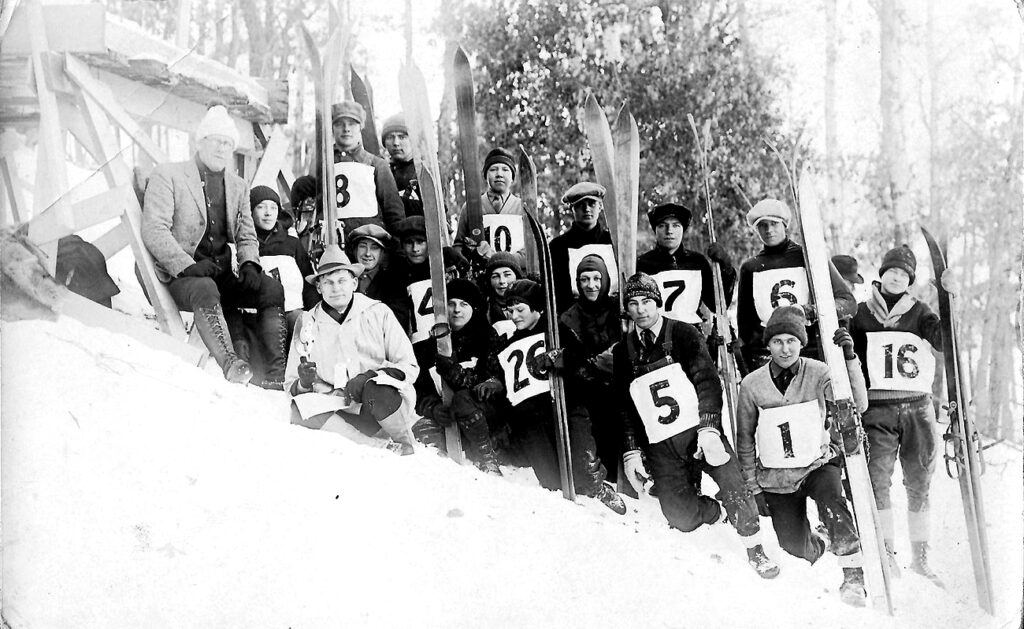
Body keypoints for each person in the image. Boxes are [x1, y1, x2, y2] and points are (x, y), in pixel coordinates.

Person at [612, 272, 779, 578]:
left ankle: (756, 550)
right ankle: (713, 512)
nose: (641, 310)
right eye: (633, 304)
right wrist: (632, 451)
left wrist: (709, 427)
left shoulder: (683, 333)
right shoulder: (624, 350)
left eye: (647, 301)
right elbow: (626, 407)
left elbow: (707, 380)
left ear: (657, 302)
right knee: (680, 517)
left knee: (733, 485)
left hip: (697, 431)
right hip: (661, 442)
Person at [141, 105, 286, 386]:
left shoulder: (238, 186)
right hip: (181, 278)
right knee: (205, 288)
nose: (222, 149)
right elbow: (154, 229)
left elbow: (246, 235)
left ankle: (276, 372)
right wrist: (188, 266)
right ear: (200, 141)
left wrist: (249, 264)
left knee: (271, 288)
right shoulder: (169, 175)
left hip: (221, 274)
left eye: (228, 144)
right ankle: (231, 363)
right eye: (217, 141)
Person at [735, 305, 870, 606]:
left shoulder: (819, 372)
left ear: (802, 342)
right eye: (778, 341)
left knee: (832, 498)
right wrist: (753, 485)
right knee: (795, 548)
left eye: (791, 341)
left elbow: (857, 405)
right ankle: (820, 542)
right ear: (768, 344)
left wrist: (849, 360)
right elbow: (744, 437)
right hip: (777, 476)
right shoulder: (752, 385)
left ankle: (853, 575)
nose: (785, 349)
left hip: (816, 463)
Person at [483, 279, 627, 514]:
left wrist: (559, 356)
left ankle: (598, 487)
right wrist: (495, 383)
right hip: (531, 418)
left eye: (520, 310)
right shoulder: (508, 342)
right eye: (510, 311)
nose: (514, 316)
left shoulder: (556, 330)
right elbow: (503, 374)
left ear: (537, 308)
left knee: (584, 466)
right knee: (551, 481)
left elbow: (581, 357)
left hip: (565, 406)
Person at [847, 245, 945, 584]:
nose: (897, 277)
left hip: (917, 406)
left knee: (920, 483)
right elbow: (851, 359)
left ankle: (920, 558)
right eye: (892, 271)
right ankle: (887, 554)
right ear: (882, 273)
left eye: (904, 274)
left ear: (910, 281)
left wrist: (949, 303)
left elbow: (943, 340)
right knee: (879, 482)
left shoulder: (920, 312)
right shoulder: (861, 314)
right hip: (877, 409)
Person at [285, 245, 419, 454]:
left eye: (342, 281)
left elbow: (409, 366)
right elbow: (290, 383)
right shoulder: (308, 321)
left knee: (378, 390)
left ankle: (404, 441)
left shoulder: (377, 312)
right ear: (319, 288)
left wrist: (370, 376)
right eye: (328, 282)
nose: (335, 288)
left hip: (379, 404)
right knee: (299, 409)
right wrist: (303, 383)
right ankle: (376, 446)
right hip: (339, 408)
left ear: (354, 283)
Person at [736, 199, 856, 371]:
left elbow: (848, 302)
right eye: (763, 225)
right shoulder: (751, 268)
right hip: (770, 358)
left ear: (784, 225)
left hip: (811, 354)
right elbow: (746, 328)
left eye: (774, 224)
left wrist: (811, 311)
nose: (769, 230)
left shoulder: (810, 258)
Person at [411, 279, 503, 473]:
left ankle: (487, 459)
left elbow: (486, 384)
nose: (456, 310)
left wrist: (452, 370)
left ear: (474, 308)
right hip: (448, 417)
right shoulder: (427, 347)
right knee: (421, 429)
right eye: (451, 304)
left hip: (482, 414)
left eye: (464, 304)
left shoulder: (487, 337)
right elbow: (420, 389)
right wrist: (433, 408)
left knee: (462, 399)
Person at [558, 254, 622, 482]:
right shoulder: (568, 317)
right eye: (585, 279)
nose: (591, 285)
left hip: (619, 384)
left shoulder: (619, 310)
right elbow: (572, 357)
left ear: (605, 280)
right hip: (588, 388)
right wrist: (593, 366)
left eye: (597, 278)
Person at [636, 202, 735, 326]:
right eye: (662, 225)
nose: (669, 231)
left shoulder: (697, 262)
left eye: (676, 225)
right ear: (655, 229)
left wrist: (726, 267)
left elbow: (718, 306)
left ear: (683, 229)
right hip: (655, 335)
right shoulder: (642, 265)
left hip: (691, 335)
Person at [328, 101, 405, 237]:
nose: (346, 129)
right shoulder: (324, 166)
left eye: (352, 124)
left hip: (368, 246)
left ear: (360, 127)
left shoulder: (377, 165)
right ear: (332, 128)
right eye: (340, 124)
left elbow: (394, 214)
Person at [549, 182, 615, 313]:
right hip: (571, 322)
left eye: (592, 203)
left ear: (600, 206)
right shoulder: (557, 246)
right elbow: (556, 292)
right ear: (572, 209)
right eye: (580, 205)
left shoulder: (613, 242)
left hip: (611, 320)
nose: (587, 209)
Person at [453, 148, 524, 266]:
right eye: (493, 169)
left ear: (512, 178)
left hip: (517, 276)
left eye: (505, 170)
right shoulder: (470, 207)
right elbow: (458, 246)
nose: (499, 174)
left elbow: (532, 249)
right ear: (485, 175)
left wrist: (504, 260)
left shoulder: (523, 208)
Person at [347, 223, 408, 325]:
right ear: (355, 250)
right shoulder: (344, 279)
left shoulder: (393, 282)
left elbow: (398, 319)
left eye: (374, 248)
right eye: (363, 246)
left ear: (382, 253)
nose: (368, 253)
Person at [380, 114, 423, 218]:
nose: (396, 143)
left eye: (402, 137)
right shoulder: (382, 172)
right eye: (390, 137)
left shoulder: (425, 170)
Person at [479, 251, 524, 336]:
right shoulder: (483, 308)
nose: (502, 281)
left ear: (517, 276)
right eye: (495, 276)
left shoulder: (532, 305)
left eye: (507, 275)